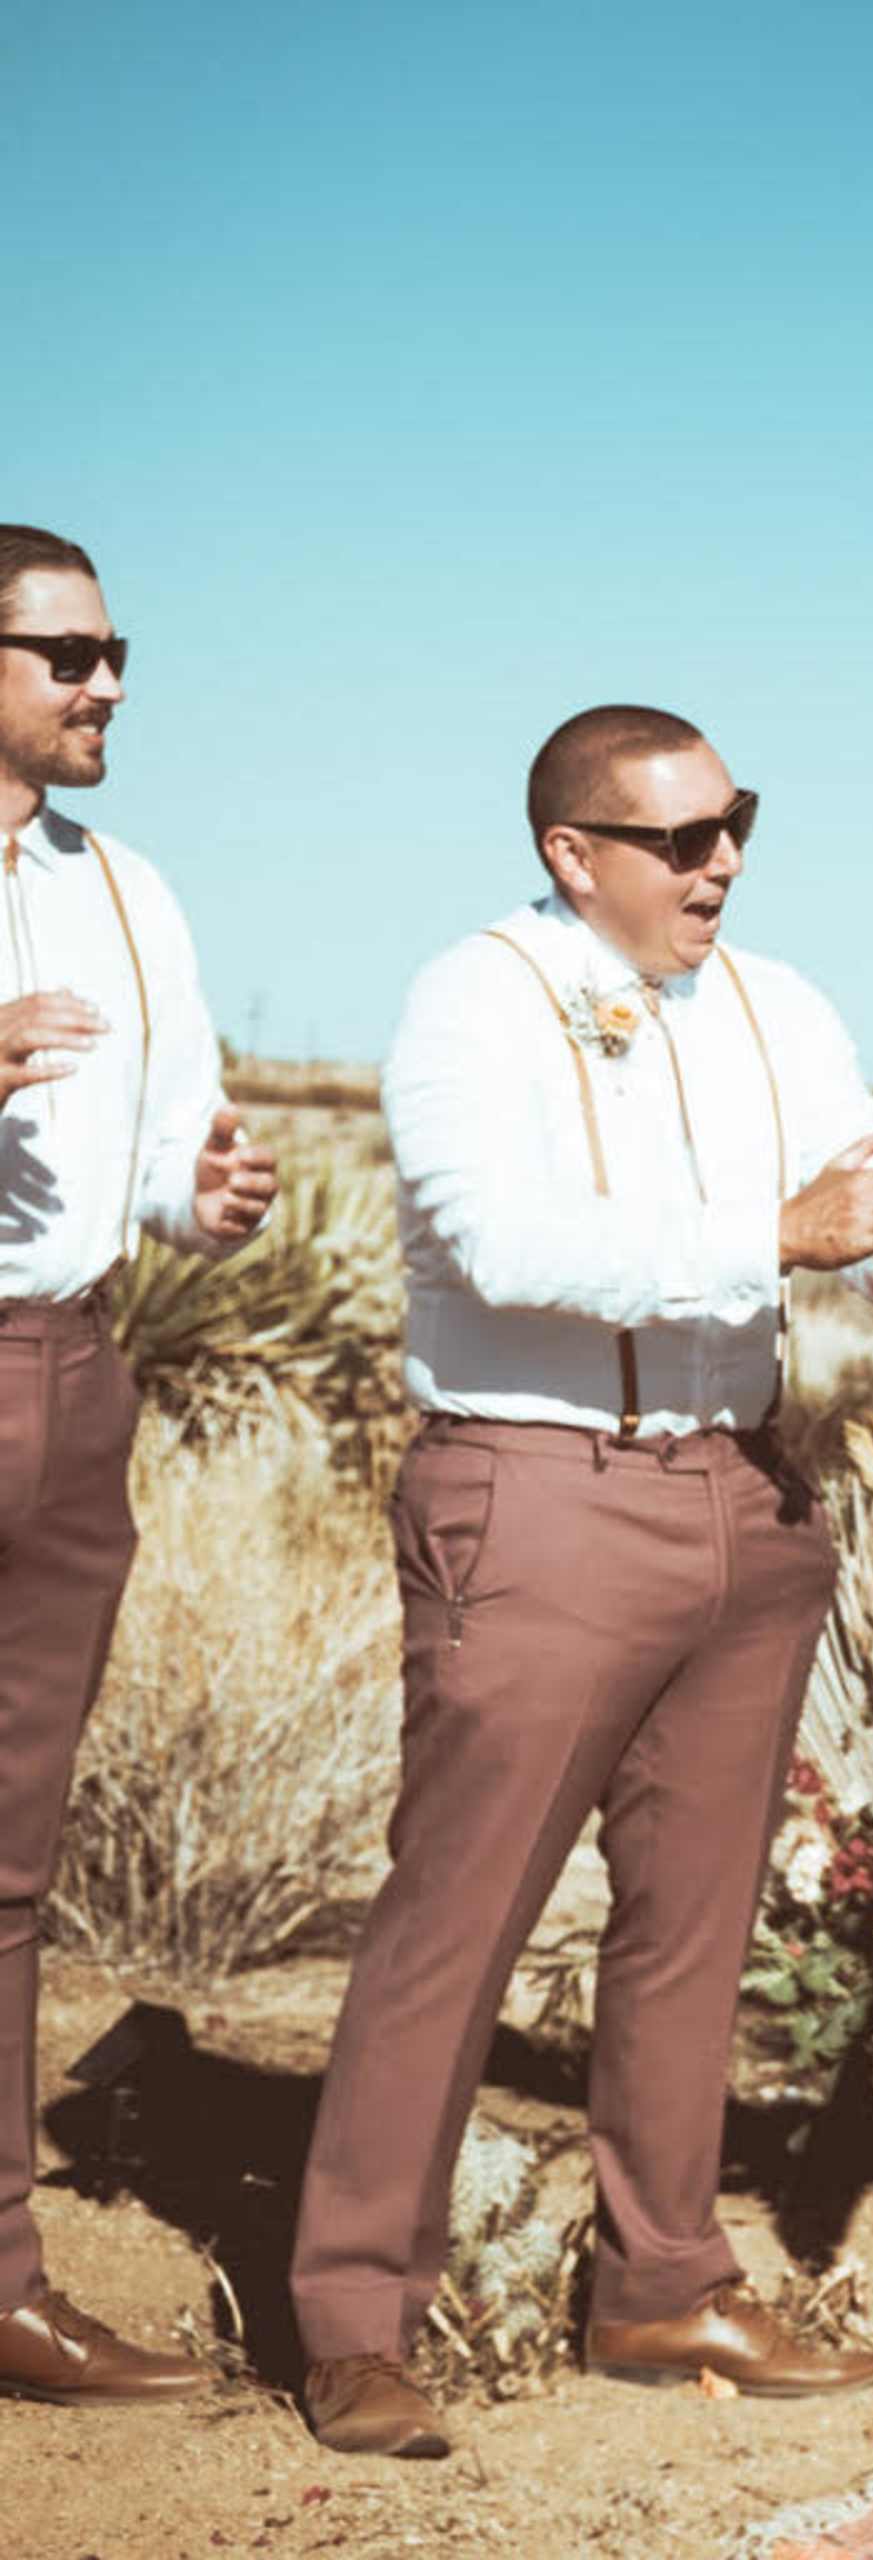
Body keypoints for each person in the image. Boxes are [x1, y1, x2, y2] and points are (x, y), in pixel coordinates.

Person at [290, 706, 873, 2459]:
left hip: (742, 1494)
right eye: (680, 839)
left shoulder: (775, 1003)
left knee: (694, 1920)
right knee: (460, 1913)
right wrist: (782, 1233)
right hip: (539, 1497)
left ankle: (662, 2278)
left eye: (736, 824)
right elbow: (499, 1239)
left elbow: (865, 1174)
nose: (720, 862)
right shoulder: (473, 999)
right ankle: (357, 2313)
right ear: (572, 855)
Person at [0, 527, 279, 2407]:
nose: (106, 684)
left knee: (9, 1860)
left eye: (118, 654)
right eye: (67, 654)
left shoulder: (129, 892)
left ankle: (2, 2283)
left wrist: (208, 1196)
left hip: (71, 1374)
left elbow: (176, 1156)